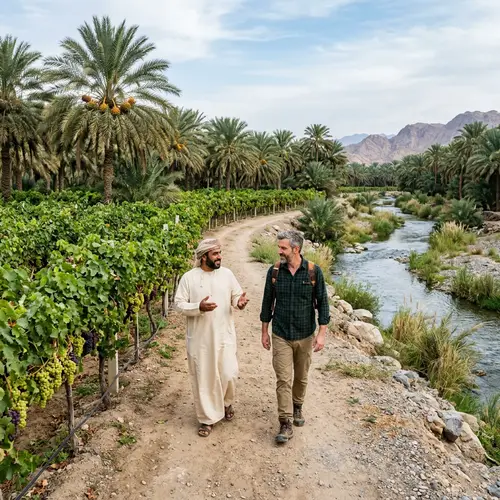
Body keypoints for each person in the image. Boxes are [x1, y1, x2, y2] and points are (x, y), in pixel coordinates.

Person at [260, 230, 330, 444]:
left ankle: (297, 406)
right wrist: (264, 331)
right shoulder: (274, 272)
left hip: (305, 335)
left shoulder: (313, 272)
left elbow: (323, 304)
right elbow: (267, 303)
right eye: (279, 247)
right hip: (281, 333)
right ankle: (285, 422)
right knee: (283, 379)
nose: (279, 251)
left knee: (301, 377)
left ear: (296, 249)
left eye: (283, 248)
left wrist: (321, 334)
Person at [174, 238, 249, 437]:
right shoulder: (189, 278)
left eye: (220, 253)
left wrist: (239, 302)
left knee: (229, 373)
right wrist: (198, 307)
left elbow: (235, 296)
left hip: (225, 335)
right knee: (205, 378)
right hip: (200, 339)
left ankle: (225, 403)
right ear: (204, 256)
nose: (219, 257)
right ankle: (207, 419)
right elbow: (179, 304)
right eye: (215, 254)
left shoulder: (227, 274)